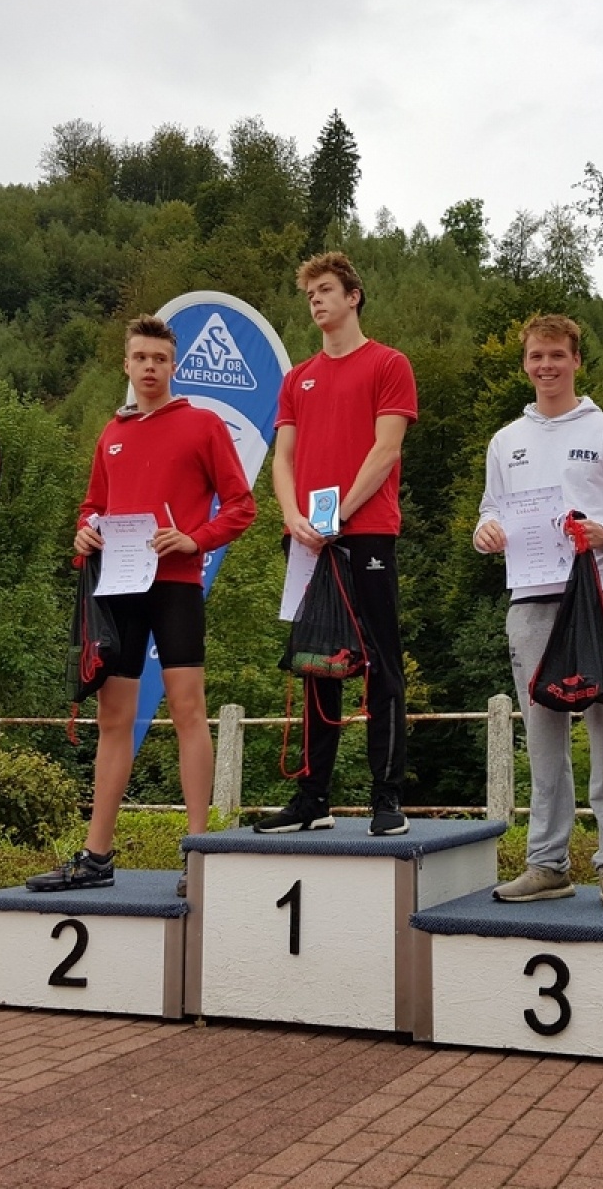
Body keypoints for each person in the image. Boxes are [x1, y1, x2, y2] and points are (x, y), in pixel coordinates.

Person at [28, 314, 255, 893]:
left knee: (187, 710)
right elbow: (91, 508)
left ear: (173, 364)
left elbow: (240, 507)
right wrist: (84, 534)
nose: (150, 367)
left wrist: (194, 539)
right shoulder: (113, 432)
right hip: (119, 586)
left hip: (176, 584)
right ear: (126, 365)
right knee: (113, 719)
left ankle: (198, 851)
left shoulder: (203, 425)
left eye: (159, 358)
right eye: (140, 358)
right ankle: (96, 855)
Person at [475, 314, 603, 909]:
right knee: (542, 735)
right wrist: (486, 532)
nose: (546, 366)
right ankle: (548, 863)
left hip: (597, 597)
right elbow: (489, 510)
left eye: (557, 355)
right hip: (528, 598)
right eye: (536, 357)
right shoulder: (506, 441)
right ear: (524, 363)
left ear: (577, 360)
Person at [256, 252, 417, 837]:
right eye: (309, 295)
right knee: (315, 664)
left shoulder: (388, 363)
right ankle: (312, 796)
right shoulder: (298, 377)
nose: (316, 301)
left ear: (354, 295)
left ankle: (386, 796)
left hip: (366, 530)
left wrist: (339, 515)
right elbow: (285, 459)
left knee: (378, 661)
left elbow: (387, 450)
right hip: (305, 538)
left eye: (326, 290)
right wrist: (294, 514)